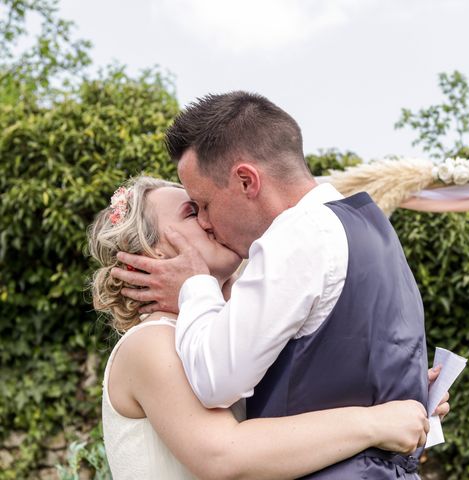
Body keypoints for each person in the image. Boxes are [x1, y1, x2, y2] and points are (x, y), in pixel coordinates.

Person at [112, 92, 436, 478]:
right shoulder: (369, 228)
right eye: (191, 212)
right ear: (151, 251)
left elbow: (217, 382)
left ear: (247, 180)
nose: (205, 223)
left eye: (203, 205)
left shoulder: (296, 238)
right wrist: (398, 406)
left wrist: (197, 286)